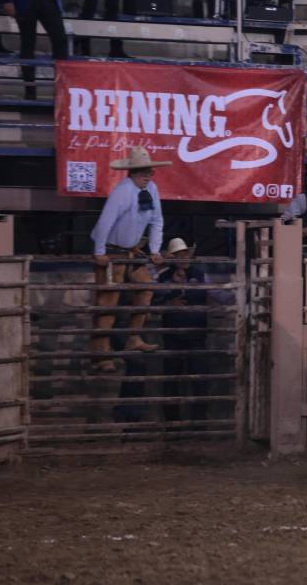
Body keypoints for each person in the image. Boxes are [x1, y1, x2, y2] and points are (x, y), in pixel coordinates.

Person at [89, 146, 169, 372]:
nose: (148, 176)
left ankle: (134, 337)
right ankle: (101, 355)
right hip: (113, 249)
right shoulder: (122, 191)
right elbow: (106, 220)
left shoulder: (151, 189)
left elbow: (157, 221)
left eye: (149, 172)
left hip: (131, 250)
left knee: (145, 286)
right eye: (143, 172)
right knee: (107, 302)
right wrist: (99, 251)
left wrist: (155, 250)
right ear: (132, 173)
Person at [154, 238, 210, 422]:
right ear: (171, 258)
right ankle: (173, 426)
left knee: (199, 383)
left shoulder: (200, 275)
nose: (183, 257)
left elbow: (220, 295)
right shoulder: (163, 277)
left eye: (185, 253)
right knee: (171, 382)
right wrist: (170, 302)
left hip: (196, 335)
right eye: (178, 255)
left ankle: (199, 426)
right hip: (173, 337)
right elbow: (152, 300)